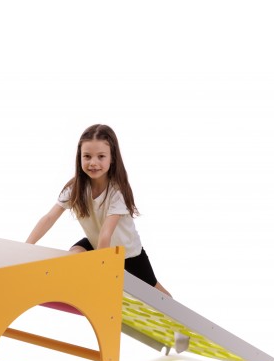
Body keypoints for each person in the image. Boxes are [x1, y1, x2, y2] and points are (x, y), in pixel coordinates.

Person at [26, 124, 171, 296]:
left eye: (101, 156)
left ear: (112, 158)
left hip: (128, 254)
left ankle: (175, 309)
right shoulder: (75, 188)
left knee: (160, 297)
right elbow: (49, 218)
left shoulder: (117, 191)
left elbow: (106, 233)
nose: (93, 163)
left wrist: (100, 270)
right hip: (96, 245)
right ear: (79, 157)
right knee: (74, 256)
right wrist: (26, 248)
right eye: (87, 156)